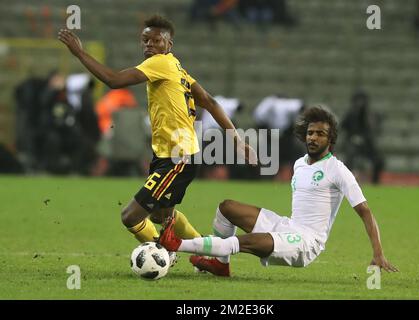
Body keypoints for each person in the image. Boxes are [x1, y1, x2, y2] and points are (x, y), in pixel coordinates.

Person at [58, 15, 257, 253]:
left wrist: (80, 53)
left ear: (168, 45)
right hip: (172, 155)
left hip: (177, 157)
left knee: (130, 216)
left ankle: (160, 254)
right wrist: (237, 140)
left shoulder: (160, 64)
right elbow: (210, 102)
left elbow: (113, 80)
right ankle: (209, 254)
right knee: (162, 216)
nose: (149, 45)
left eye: (156, 41)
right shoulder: (177, 68)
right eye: (145, 40)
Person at [158, 106, 398, 277]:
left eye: (320, 134)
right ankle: (221, 265)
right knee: (226, 207)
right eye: (310, 132)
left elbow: (365, 211)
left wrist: (378, 253)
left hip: (306, 243)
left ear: (331, 139)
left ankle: (176, 244)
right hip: (287, 226)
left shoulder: (338, 170)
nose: (313, 137)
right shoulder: (300, 163)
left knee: (240, 242)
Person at [340, 90, 384, 184]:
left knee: (379, 160)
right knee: (349, 159)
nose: (360, 103)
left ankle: (375, 183)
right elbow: (343, 127)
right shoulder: (349, 115)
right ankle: (346, 182)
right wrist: (352, 137)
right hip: (352, 142)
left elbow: (374, 129)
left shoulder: (370, 115)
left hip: (367, 144)